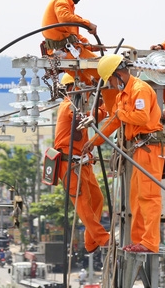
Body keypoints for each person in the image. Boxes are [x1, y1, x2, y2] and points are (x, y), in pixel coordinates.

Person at [83, 54, 165, 253]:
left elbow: (142, 117)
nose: (110, 85)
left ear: (118, 75)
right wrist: (93, 141)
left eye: (110, 80)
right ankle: (139, 241)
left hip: (150, 148)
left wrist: (120, 114)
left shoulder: (140, 90)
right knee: (136, 199)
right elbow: (114, 122)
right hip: (139, 149)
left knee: (149, 197)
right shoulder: (123, 96)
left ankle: (150, 243)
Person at [54, 73, 110, 253]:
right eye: (82, 89)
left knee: (98, 199)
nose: (86, 93)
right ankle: (102, 239)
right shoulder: (68, 107)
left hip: (83, 164)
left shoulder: (77, 105)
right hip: (69, 165)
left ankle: (91, 241)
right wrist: (104, 109)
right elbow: (85, 118)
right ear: (71, 89)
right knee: (83, 204)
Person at [42, 0, 102, 85]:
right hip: (66, 52)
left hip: (66, 51)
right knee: (106, 71)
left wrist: (90, 46)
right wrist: (87, 23)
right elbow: (65, 19)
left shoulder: (65, 3)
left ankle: (91, 103)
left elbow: (73, 34)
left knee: (86, 83)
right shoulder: (61, 1)